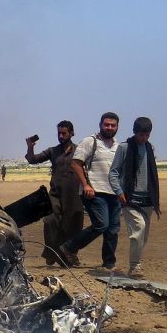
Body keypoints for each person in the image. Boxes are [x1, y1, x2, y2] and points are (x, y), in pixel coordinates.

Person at [60, 113, 122, 270]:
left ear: (117, 127)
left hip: (113, 193)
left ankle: (109, 264)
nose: (109, 127)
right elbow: (75, 164)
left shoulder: (118, 146)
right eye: (106, 124)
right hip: (94, 192)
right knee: (101, 224)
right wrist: (86, 185)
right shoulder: (90, 141)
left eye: (112, 125)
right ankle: (69, 247)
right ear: (100, 125)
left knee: (113, 229)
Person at [25, 121, 82, 266]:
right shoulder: (52, 151)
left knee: (72, 224)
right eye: (59, 133)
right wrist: (30, 148)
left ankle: (70, 254)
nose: (61, 136)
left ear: (72, 133)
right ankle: (51, 253)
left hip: (74, 194)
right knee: (50, 220)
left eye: (64, 133)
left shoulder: (80, 150)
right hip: (55, 193)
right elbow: (32, 160)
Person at [109, 117, 160, 278]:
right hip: (130, 199)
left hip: (148, 201)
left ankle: (136, 263)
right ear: (134, 132)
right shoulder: (124, 148)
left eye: (146, 135)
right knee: (139, 229)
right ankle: (135, 267)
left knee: (143, 235)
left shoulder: (150, 148)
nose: (143, 138)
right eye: (141, 135)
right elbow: (113, 172)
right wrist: (119, 192)